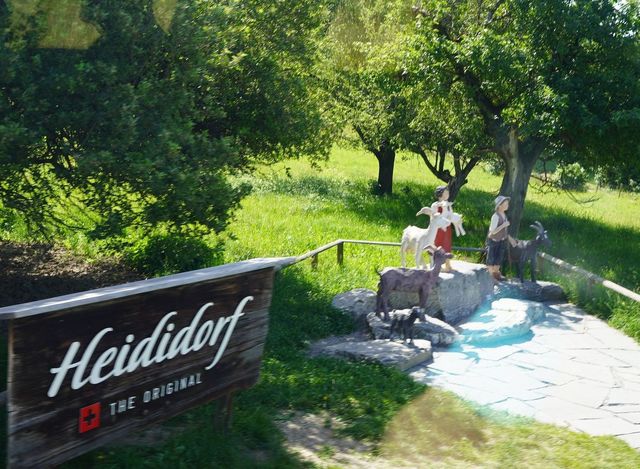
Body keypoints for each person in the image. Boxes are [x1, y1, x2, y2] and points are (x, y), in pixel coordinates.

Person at [486, 195, 515, 281]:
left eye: (507, 204)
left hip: (501, 241)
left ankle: (496, 274)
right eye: (505, 204)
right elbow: (493, 231)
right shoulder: (495, 216)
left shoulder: (504, 215)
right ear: (499, 206)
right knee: (491, 258)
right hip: (493, 241)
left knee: (499, 259)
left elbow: (504, 231)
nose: (507, 205)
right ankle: (491, 277)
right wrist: (503, 225)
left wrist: (509, 239)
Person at [431, 185, 453, 272]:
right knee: (438, 245)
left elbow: (450, 214)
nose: (448, 194)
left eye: (448, 193)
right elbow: (435, 216)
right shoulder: (435, 205)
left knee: (447, 244)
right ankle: (437, 265)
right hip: (439, 228)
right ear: (440, 194)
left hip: (447, 228)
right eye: (446, 193)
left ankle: (448, 264)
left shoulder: (448, 204)